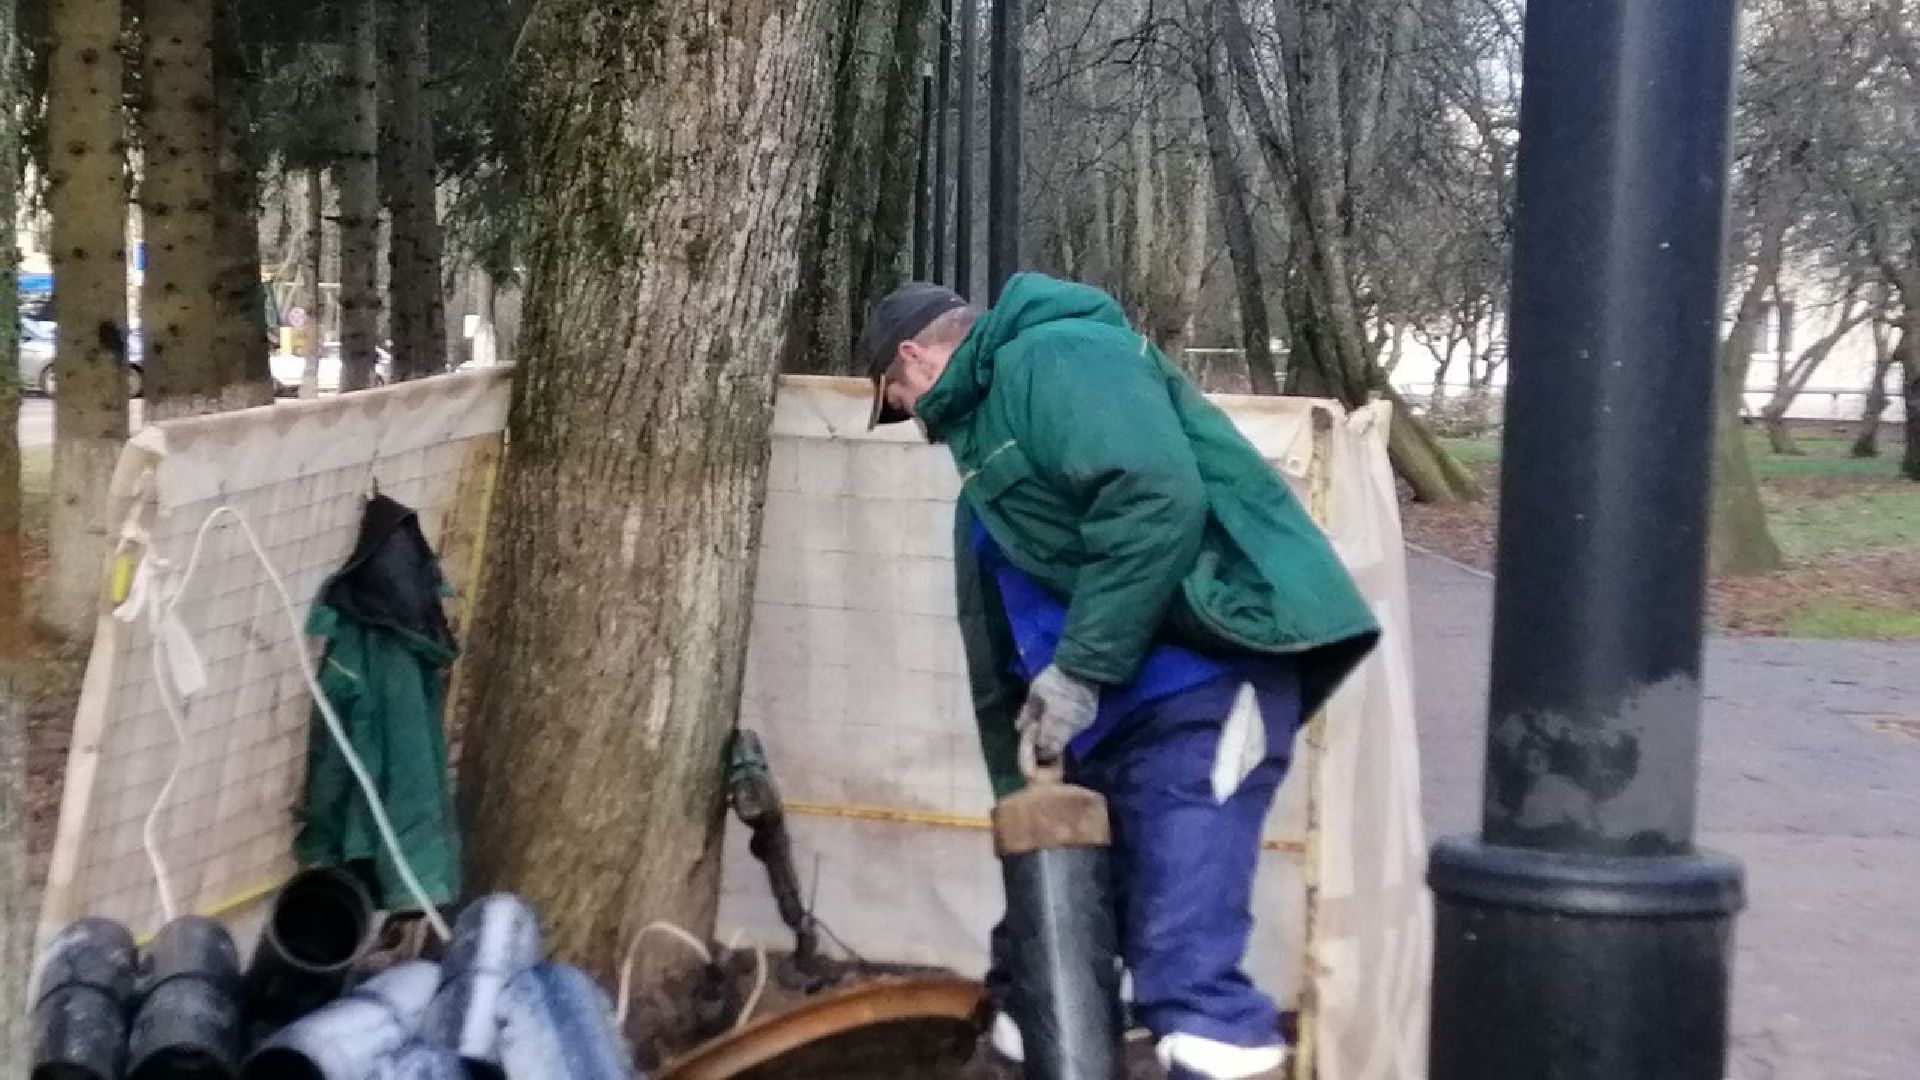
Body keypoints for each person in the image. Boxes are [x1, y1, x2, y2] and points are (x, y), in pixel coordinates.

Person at [857, 274, 1380, 1080]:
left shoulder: (1055, 354)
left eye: (899, 398)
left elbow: (1150, 496)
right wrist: (1023, 790)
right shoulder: (988, 483)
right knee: (1042, 962)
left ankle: (1222, 1056)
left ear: (914, 356)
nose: (915, 421)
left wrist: (1081, 670)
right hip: (1108, 720)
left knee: (1186, 965)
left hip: (1198, 686)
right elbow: (998, 647)